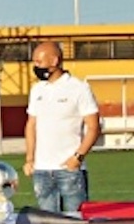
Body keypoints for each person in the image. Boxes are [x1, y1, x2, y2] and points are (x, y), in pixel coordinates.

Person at [22, 41, 101, 214]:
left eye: (39, 62)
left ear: (54, 61)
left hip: (69, 170)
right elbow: (31, 125)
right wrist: (30, 158)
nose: (35, 66)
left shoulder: (79, 88)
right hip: (42, 171)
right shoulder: (37, 90)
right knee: (48, 223)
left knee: (76, 221)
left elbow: (93, 127)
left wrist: (77, 157)